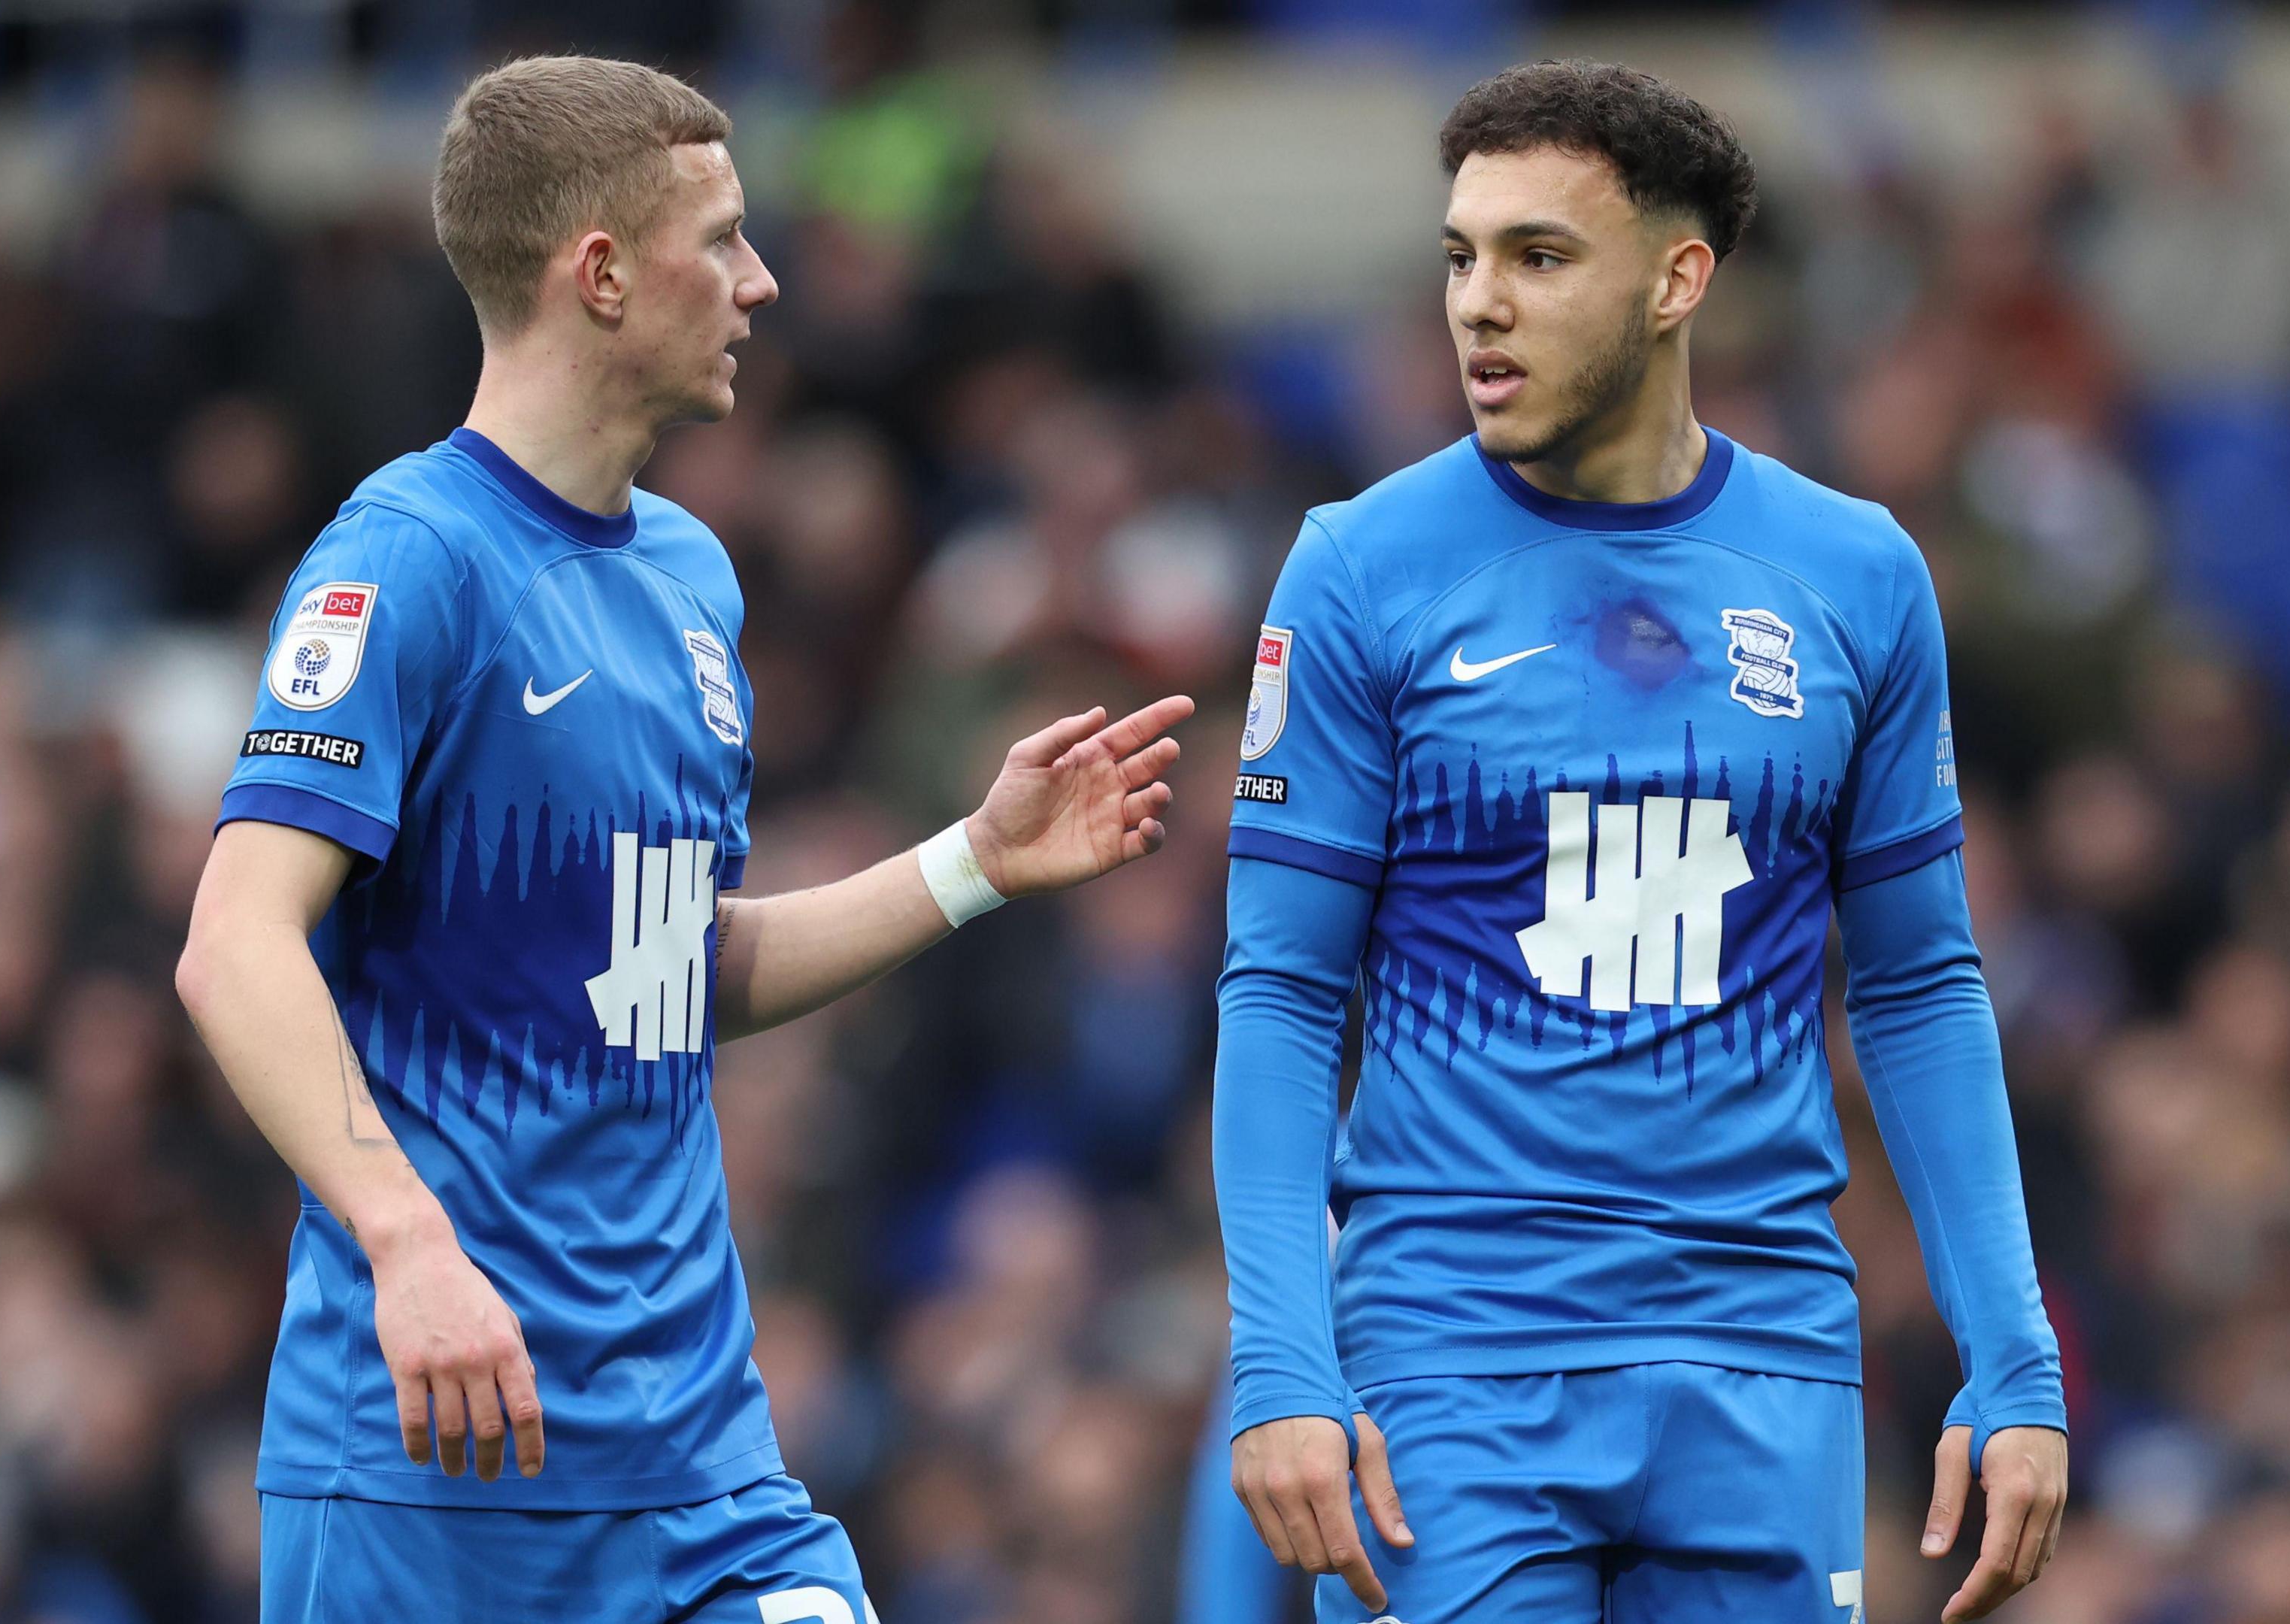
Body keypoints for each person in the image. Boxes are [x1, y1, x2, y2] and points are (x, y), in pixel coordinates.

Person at [172, 56, 1191, 1622]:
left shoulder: (692, 581)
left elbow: (674, 968)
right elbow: (234, 944)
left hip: (698, 1463)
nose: (761, 279)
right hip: (441, 1466)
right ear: (597, 274)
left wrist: (974, 859)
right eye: (720, 239)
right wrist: (408, 1246)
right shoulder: (410, 561)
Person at [1210, 60, 2067, 1624]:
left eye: (1538, 257)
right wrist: (1283, 1363)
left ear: (1679, 281)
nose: (1479, 303)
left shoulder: (1855, 577)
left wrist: (2015, 1364)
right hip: (1450, 1362)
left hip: (1764, 1362)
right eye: (1461, 256)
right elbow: (1276, 995)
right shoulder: (1357, 571)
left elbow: (1924, 989)